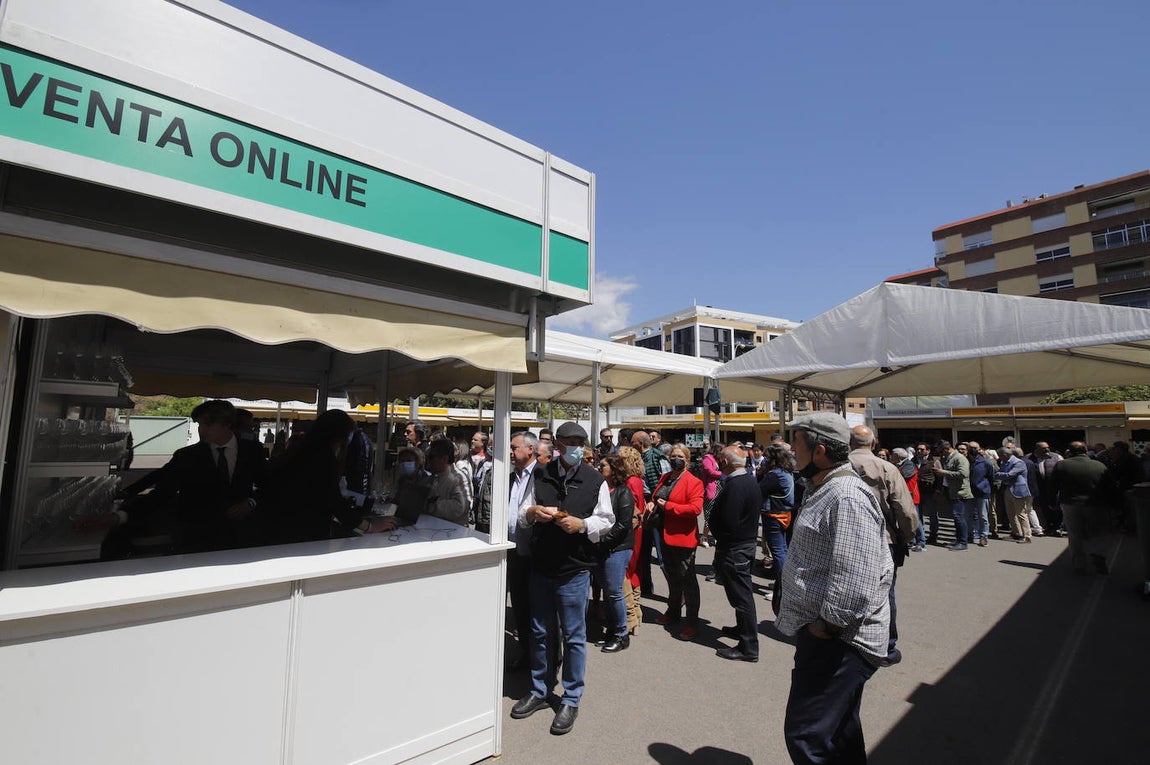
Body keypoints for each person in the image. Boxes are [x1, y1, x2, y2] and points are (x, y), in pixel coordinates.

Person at [776, 412, 893, 765]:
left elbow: (856, 577)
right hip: (830, 636)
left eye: (797, 445)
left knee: (807, 734)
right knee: (840, 731)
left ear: (821, 451)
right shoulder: (823, 487)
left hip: (839, 640)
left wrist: (825, 627)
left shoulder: (845, 495)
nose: (791, 452)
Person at [510, 422, 614, 736]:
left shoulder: (595, 479)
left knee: (574, 636)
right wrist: (532, 514)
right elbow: (522, 511)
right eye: (568, 442)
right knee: (540, 631)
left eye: (579, 442)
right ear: (556, 444)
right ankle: (540, 689)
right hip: (542, 566)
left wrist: (581, 525)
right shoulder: (540, 473)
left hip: (574, 570)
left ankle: (571, 697)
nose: (574, 447)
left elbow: (607, 520)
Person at [155, 399, 267, 553]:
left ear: (227, 424)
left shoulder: (252, 451)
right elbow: (162, 491)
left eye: (207, 425)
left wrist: (251, 503)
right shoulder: (186, 456)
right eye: (199, 425)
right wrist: (122, 514)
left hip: (242, 537)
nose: (201, 430)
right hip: (197, 539)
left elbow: (268, 485)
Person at [848, 425, 917, 666]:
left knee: (848, 589)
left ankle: (850, 639)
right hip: (883, 539)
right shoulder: (887, 468)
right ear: (874, 443)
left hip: (847, 538)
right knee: (885, 593)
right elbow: (906, 511)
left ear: (849, 442)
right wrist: (906, 537)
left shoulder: (839, 468)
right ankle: (886, 646)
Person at [266, 409, 362, 543]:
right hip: (305, 530)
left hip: (280, 524)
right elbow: (333, 499)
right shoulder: (324, 458)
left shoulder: (300, 449)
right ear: (340, 435)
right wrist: (366, 525)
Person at [710, 444, 763, 662]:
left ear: (725, 462)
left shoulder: (737, 485)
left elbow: (729, 522)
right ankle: (743, 631)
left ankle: (748, 646)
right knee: (740, 595)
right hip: (741, 545)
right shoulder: (747, 480)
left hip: (735, 548)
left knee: (742, 598)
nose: (718, 463)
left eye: (720, 460)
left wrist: (721, 541)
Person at [650, 443, 704, 641]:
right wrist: (652, 502)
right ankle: (673, 612)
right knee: (672, 577)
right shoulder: (666, 477)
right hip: (664, 534)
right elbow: (657, 496)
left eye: (680, 456)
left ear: (687, 460)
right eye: (673, 455)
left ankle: (692, 622)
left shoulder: (694, 482)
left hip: (683, 537)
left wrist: (670, 506)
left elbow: (695, 509)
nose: (675, 459)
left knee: (688, 580)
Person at [593, 452, 637, 652]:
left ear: (614, 469)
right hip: (602, 547)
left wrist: (604, 542)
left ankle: (621, 634)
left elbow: (623, 524)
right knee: (608, 592)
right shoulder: (601, 489)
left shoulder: (623, 492)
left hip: (617, 548)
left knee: (614, 591)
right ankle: (612, 630)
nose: (599, 468)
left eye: (603, 465)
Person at [1051, 442, 1113, 575]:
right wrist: (1115, 504)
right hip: (1096, 503)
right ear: (1085, 451)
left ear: (1070, 451)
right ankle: (1098, 554)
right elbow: (1109, 487)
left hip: (1070, 503)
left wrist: (1052, 501)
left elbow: (1053, 486)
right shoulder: (1099, 465)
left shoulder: (1062, 465)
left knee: (1074, 534)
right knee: (1098, 531)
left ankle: (1079, 564)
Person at [506, 431, 540, 668]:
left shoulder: (543, 475)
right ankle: (527, 653)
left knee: (538, 609)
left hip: (535, 553)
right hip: (513, 549)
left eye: (514, 447)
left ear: (530, 449)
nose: (510, 451)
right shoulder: (509, 477)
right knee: (520, 606)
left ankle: (543, 660)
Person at [617, 445, 648, 636]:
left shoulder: (631, 481)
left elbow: (633, 508)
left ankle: (631, 614)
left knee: (626, 570)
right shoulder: (637, 480)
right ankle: (636, 610)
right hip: (636, 529)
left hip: (631, 529)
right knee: (631, 569)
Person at [758, 443, 795, 592]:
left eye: (766, 457)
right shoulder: (786, 472)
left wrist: (760, 474)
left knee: (778, 551)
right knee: (783, 549)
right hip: (784, 514)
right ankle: (783, 582)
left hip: (773, 514)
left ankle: (782, 587)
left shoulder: (775, 474)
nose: (764, 460)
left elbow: (760, 489)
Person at [934, 441, 973, 551]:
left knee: (959, 516)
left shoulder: (959, 458)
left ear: (946, 449)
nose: (941, 454)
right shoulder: (949, 458)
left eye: (942, 451)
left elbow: (963, 474)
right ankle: (959, 539)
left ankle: (963, 542)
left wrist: (943, 472)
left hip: (959, 492)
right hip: (951, 490)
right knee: (956, 517)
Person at [997, 446, 1034, 543]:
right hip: (1008, 488)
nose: (999, 458)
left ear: (1005, 455)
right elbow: (1003, 473)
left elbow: (1009, 475)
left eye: (1000, 456)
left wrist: (997, 474)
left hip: (1018, 490)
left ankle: (1027, 536)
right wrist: (1001, 474)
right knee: (1010, 513)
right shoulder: (1004, 462)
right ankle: (1016, 533)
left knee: (1021, 513)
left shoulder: (1018, 463)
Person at [892, 447, 924, 552]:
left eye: (892, 455)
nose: (891, 457)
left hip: (911, 496)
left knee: (915, 519)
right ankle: (912, 540)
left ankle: (921, 542)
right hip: (904, 495)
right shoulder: (899, 465)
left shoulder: (909, 465)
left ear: (897, 456)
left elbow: (904, 475)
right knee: (907, 518)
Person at [968, 441, 994, 546]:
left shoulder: (986, 462)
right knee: (971, 515)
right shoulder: (967, 461)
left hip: (982, 492)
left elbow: (991, 477)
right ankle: (973, 534)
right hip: (969, 493)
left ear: (979, 449)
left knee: (983, 516)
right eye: (971, 448)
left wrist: (986, 489)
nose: (973, 450)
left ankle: (984, 536)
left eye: (975, 448)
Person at [700, 441, 724, 549]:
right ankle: (704, 537)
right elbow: (711, 472)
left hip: (719, 488)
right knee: (709, 515)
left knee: (718, 514)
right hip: (710, 490)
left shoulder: (717, 459)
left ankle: (715, 535)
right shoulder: (707, 459)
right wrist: (723, 474)